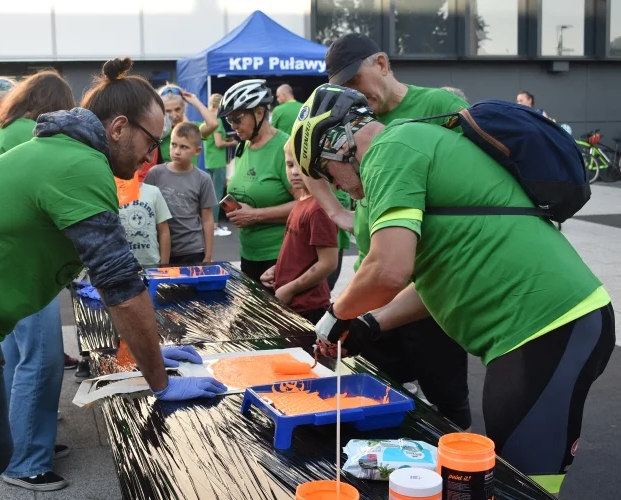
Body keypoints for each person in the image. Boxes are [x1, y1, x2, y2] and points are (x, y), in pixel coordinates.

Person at [0, 57, 227, 500]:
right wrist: (160, 379)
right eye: (150, 141)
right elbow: (121, 286)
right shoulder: (80, 165)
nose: (151, 156)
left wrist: (150, 347)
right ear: (118, 127)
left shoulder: (70, 153)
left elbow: (83, 258)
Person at [293, 84, 615, 497]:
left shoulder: (393, 148)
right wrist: (371, 324)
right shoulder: (400, 152)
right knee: (509, 476)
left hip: (552, 323)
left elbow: (388, 270)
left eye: (324, 171)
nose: (333, 186)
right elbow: (434, 280)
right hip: (533, 332)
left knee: (524, 484)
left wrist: (336, 315)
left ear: (337, 145)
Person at [297, 33, 473, 428]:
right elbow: (307, 160)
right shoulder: (349, 119)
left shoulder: (439, 106)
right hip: (375, 277)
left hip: (429, 284)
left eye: (354, 80)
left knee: (446, 398)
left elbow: (470, 178)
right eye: (342, 89)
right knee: (369, 390)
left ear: (381, 63)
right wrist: (338, 213)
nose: (352, 93)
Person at [0, 70, 77, 491]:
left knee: (15, 360)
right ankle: (28, 459)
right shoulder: (35, 134)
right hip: (24, 264)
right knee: (42, 359)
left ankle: (23, 445)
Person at [218, 79, 298, 284]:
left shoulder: (284, 148)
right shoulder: (242, 146)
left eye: (237, 119)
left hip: (280, 256)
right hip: (249, 254)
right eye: (229, 121)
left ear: (260, 113)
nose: (233, 126)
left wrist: (255, 215)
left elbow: (307, 205)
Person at [260, 142, 337, 324]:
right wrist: (277, 270)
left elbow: (328, 263)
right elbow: (299, 252)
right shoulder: (302, 200)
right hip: (292, 302)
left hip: (309, 308)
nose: (294, 171)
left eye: (300, 165)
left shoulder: (318, 208)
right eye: (289, 165)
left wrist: (289, 289)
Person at [144, 122, 216, 264]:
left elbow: (207, 219)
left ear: (197, 151)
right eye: (173, 144)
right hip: (161, 248)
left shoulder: (203, 179)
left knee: (190, 286)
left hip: (192, 250)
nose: (176, 151)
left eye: (184, 147)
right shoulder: (155, 174)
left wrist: (208, 255)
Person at [202, 93, 238, 236]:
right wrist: (232, 142)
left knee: (213, 193)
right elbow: (218, 143)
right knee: (217, 194)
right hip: (217, 161)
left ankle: (213, 224)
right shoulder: (216, 121)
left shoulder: (207, 120)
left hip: (210, 160)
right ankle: (215, 225)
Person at [118, 176, 172, 266]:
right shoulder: (109, 193)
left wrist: (164, 264)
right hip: (121, 265)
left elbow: (164, 231)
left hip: (151, 263)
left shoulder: (153, 192)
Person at [158, 84, 218, 163]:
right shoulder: (158, 133)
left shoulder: (192, 129)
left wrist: (195, 101)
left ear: (183, 107)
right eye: (168, 111)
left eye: (177, 109)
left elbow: (213, 124)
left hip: (190, 175)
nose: (174, 115)